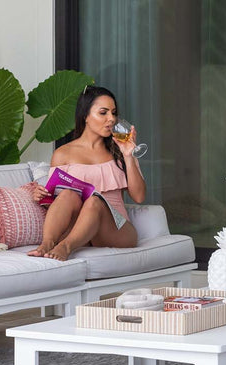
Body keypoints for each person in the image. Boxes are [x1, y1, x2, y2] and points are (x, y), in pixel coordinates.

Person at [27, 85, 145, 261]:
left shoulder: (120, 149)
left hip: (116, 229)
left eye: (113, 113)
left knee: (94, 201)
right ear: (86, 116)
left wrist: (128, 156)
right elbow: (57, 202)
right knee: (67, 195)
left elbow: (139, 197)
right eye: (103, 113)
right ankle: (47, 244)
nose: (111, 119)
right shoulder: (63, 154)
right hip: (80, 230)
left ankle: (65, 247)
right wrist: (42, 195)